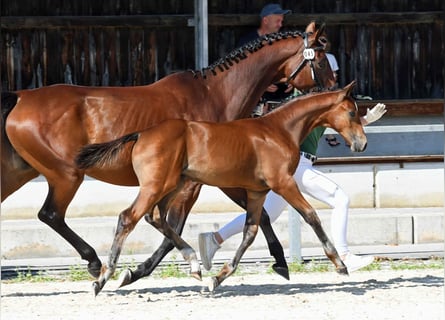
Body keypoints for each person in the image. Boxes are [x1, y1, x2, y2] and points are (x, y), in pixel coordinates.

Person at [199, 102, 388, 273]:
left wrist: (366, 119)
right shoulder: (312, 107)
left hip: (295, 164)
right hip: (297, 164)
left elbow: (344, 123)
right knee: (340, 199)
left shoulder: (322, 110)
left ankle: (214, 239)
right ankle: (344, 254)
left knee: (267, 214)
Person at [238, 3, 294, 116]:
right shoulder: (247, 43)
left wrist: (292, 81)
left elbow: (289, 65)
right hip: (254, 103)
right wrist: (261, 85)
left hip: (281, 102)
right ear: (265, 20)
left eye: (281, 21)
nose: (280, 25)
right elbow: (240, 72)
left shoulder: (282, 43)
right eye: (277, 21)